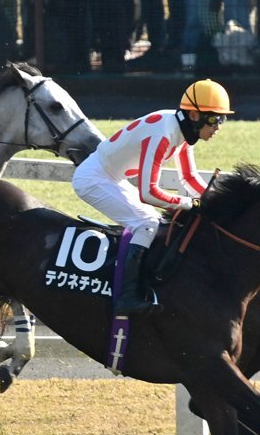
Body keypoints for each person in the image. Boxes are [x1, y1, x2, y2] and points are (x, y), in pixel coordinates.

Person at [72, 79, 234, 315]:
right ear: (195, 116)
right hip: (93, 179)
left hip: (111, 177)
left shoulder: (183, 131)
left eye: (222, 119)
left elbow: (188, 178)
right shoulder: (163, 135)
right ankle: (127, 297)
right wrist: (190, 203)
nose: (218, 126)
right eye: (214, 119)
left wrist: (213, 200)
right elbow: (148, 193)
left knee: (152, 221)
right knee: (147, 223)